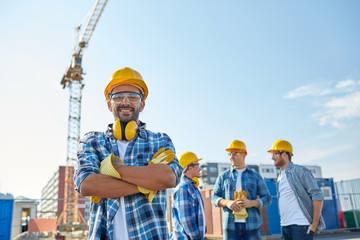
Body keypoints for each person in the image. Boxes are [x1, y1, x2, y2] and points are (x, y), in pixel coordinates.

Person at [74, 67, 183, 240]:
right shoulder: (92, 141)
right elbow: (87, 185)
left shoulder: (160, 141)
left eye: (133, 97)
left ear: (142, 104)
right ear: (109, 104)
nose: (126, 102)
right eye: (118, 97)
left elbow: (168, 179)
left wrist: (110, 170)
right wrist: (149, 183)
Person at [211, 140, 271, 240]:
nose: (231, 156)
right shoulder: (223, 176)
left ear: (243, 154)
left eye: (235, 153)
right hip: (230, 226)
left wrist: (252, 203)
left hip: (252, 226)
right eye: (230, 154)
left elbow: (267, 199)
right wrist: (227, 202)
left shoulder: (255, 176)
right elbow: (214, 197)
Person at [267, 140, 325, 240]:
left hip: (301, 225)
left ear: (284, 154)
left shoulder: (299, 170)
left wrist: (315, 224)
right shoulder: (280, 176)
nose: (272, 157)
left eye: (275, 154)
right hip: (285, 226)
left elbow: (317, 195)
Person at [170, 151, 206, 240]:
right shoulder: (183, 188)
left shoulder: (192, 187)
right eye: (198, 164)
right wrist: (196, 236)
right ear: (190, 167)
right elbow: (185, 219)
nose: (200, 168)